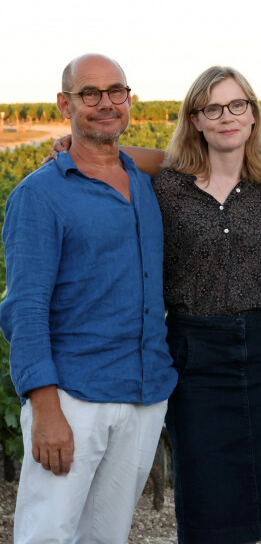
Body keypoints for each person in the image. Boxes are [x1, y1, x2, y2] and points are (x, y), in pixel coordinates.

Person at [0, 54, 177, 543]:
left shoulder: (148, 185)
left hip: (144, 392)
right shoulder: (39, 195)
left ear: (129, 101)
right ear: (65, 104)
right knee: (48, 534)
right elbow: (26, 307)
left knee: (107, 536)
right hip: (72, 398)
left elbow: (192, 162)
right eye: (89, 94)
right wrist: (46, 407)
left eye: (115, 91)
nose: (105, 103)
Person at [151, 66, 261, 543]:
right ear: (195, 119)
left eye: (237, 105)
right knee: (205, 488)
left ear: (254, 115)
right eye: (212, 108)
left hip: (260, 345)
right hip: (194, 350)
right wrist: (69, 145)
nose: (226, 117)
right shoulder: (166, 188)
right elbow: (117, 159)